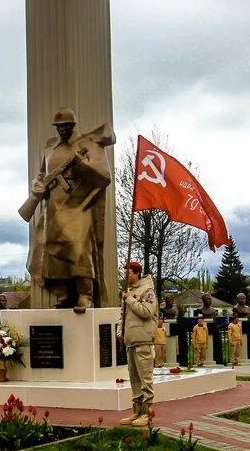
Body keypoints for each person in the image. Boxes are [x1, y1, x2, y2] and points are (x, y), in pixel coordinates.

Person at [20, 107, 115, 313]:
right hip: (53, 205)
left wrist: (80, 163)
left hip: (78, 204)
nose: (61, 130)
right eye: (58, 127)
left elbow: (103, 175)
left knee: (79, 248)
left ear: (73, 126)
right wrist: (37, 185)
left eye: (65, 126)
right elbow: (42, 173)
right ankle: (65, 294)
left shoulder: (87, 144)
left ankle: (85, 294)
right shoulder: (50, 148)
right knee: (53, 249)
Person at [118, 261, 157, 426]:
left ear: (136, 273)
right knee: (134, 379)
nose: (125, 275)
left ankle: (147, 413)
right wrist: (120, 330)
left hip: (143, 340)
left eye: (128, 272)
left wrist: (130, 300)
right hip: (131, 340)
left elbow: (147, 312)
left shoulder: (148, 291)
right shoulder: (128, 292)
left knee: (145, 378)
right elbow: (123, 315)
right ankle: (136, 410)